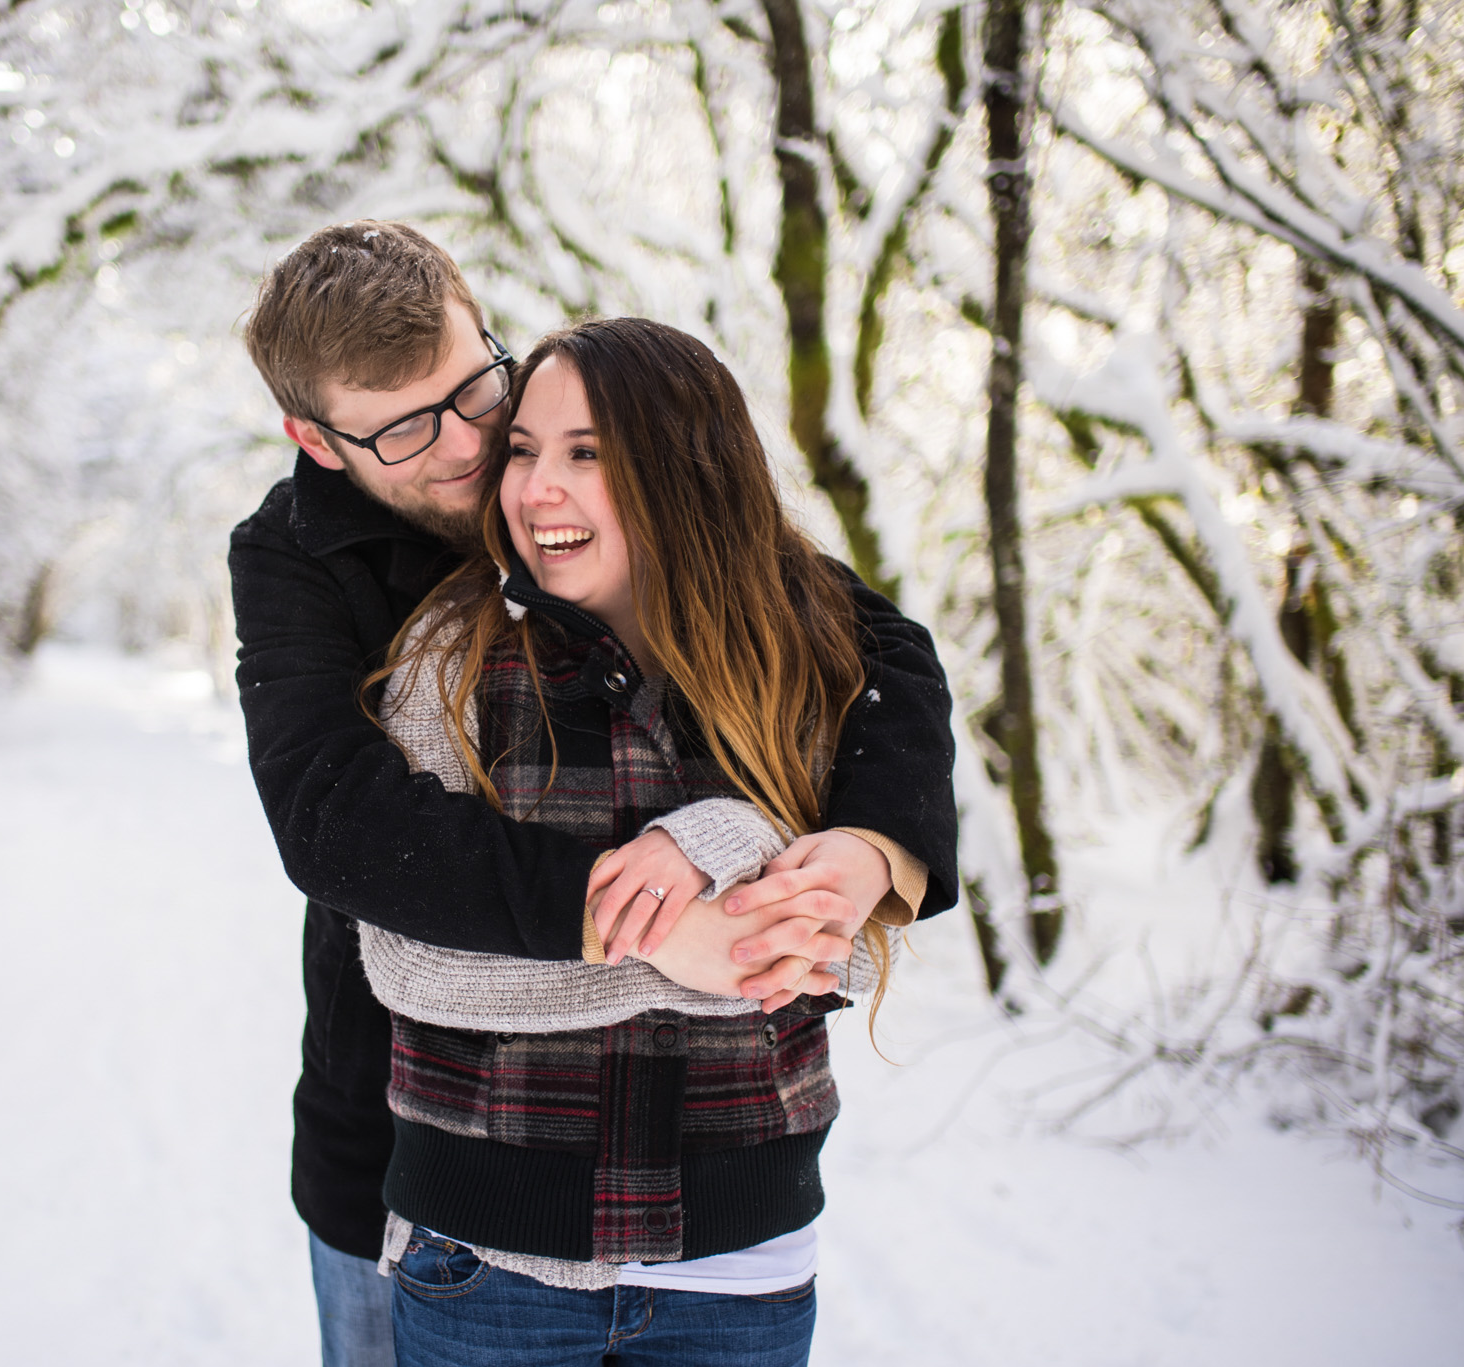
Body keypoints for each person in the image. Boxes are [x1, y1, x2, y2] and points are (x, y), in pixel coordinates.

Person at [229, 222, 957, 1367]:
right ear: (316, 440)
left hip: (714, 1206)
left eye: (477, 388)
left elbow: (873, 655)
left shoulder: (584, 447)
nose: (473, 449)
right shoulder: (300, 566)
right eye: (408, 427)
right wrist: (672, 934)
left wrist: (861, 844)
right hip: (409, 1127)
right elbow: (339, 828)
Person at [361, 316, 915, 1364]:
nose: (536, 489)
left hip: (739, 1259)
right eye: (521, 451)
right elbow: (405, 960)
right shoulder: (448, 654)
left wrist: (709, 837)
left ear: (683, 468)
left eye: (587, 455)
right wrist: (667, 946)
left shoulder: (790, 653)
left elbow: (819, 937)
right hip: (488, 1257)